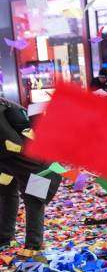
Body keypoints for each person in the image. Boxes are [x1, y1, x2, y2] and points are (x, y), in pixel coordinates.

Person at [0, 98, 61, 252]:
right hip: (10, 158)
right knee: (6, 192)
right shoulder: (4, 103)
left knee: (34, 200)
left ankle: (33, 246)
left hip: (37, 163)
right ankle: (5, 238)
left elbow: (13, 144)